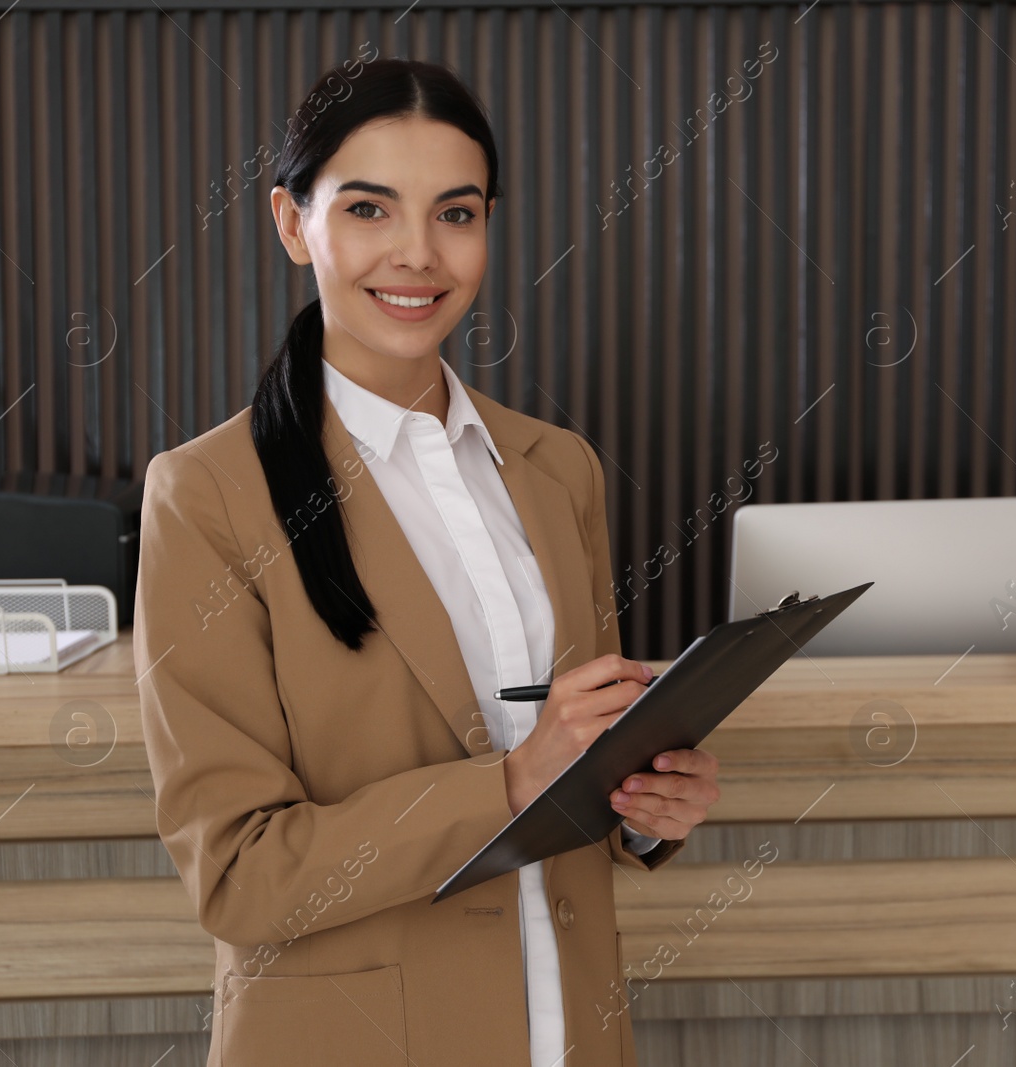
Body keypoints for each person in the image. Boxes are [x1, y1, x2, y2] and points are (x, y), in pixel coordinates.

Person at [133, 57, 720, 1067]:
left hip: (568, 1030)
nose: (417, 254)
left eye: (455, 213)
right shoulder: (206, 495)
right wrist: (506, 782)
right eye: (369, 208)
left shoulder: (555, 469)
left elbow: (576, 761)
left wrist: (642, 807)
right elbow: (238, 875)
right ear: (290, 222)